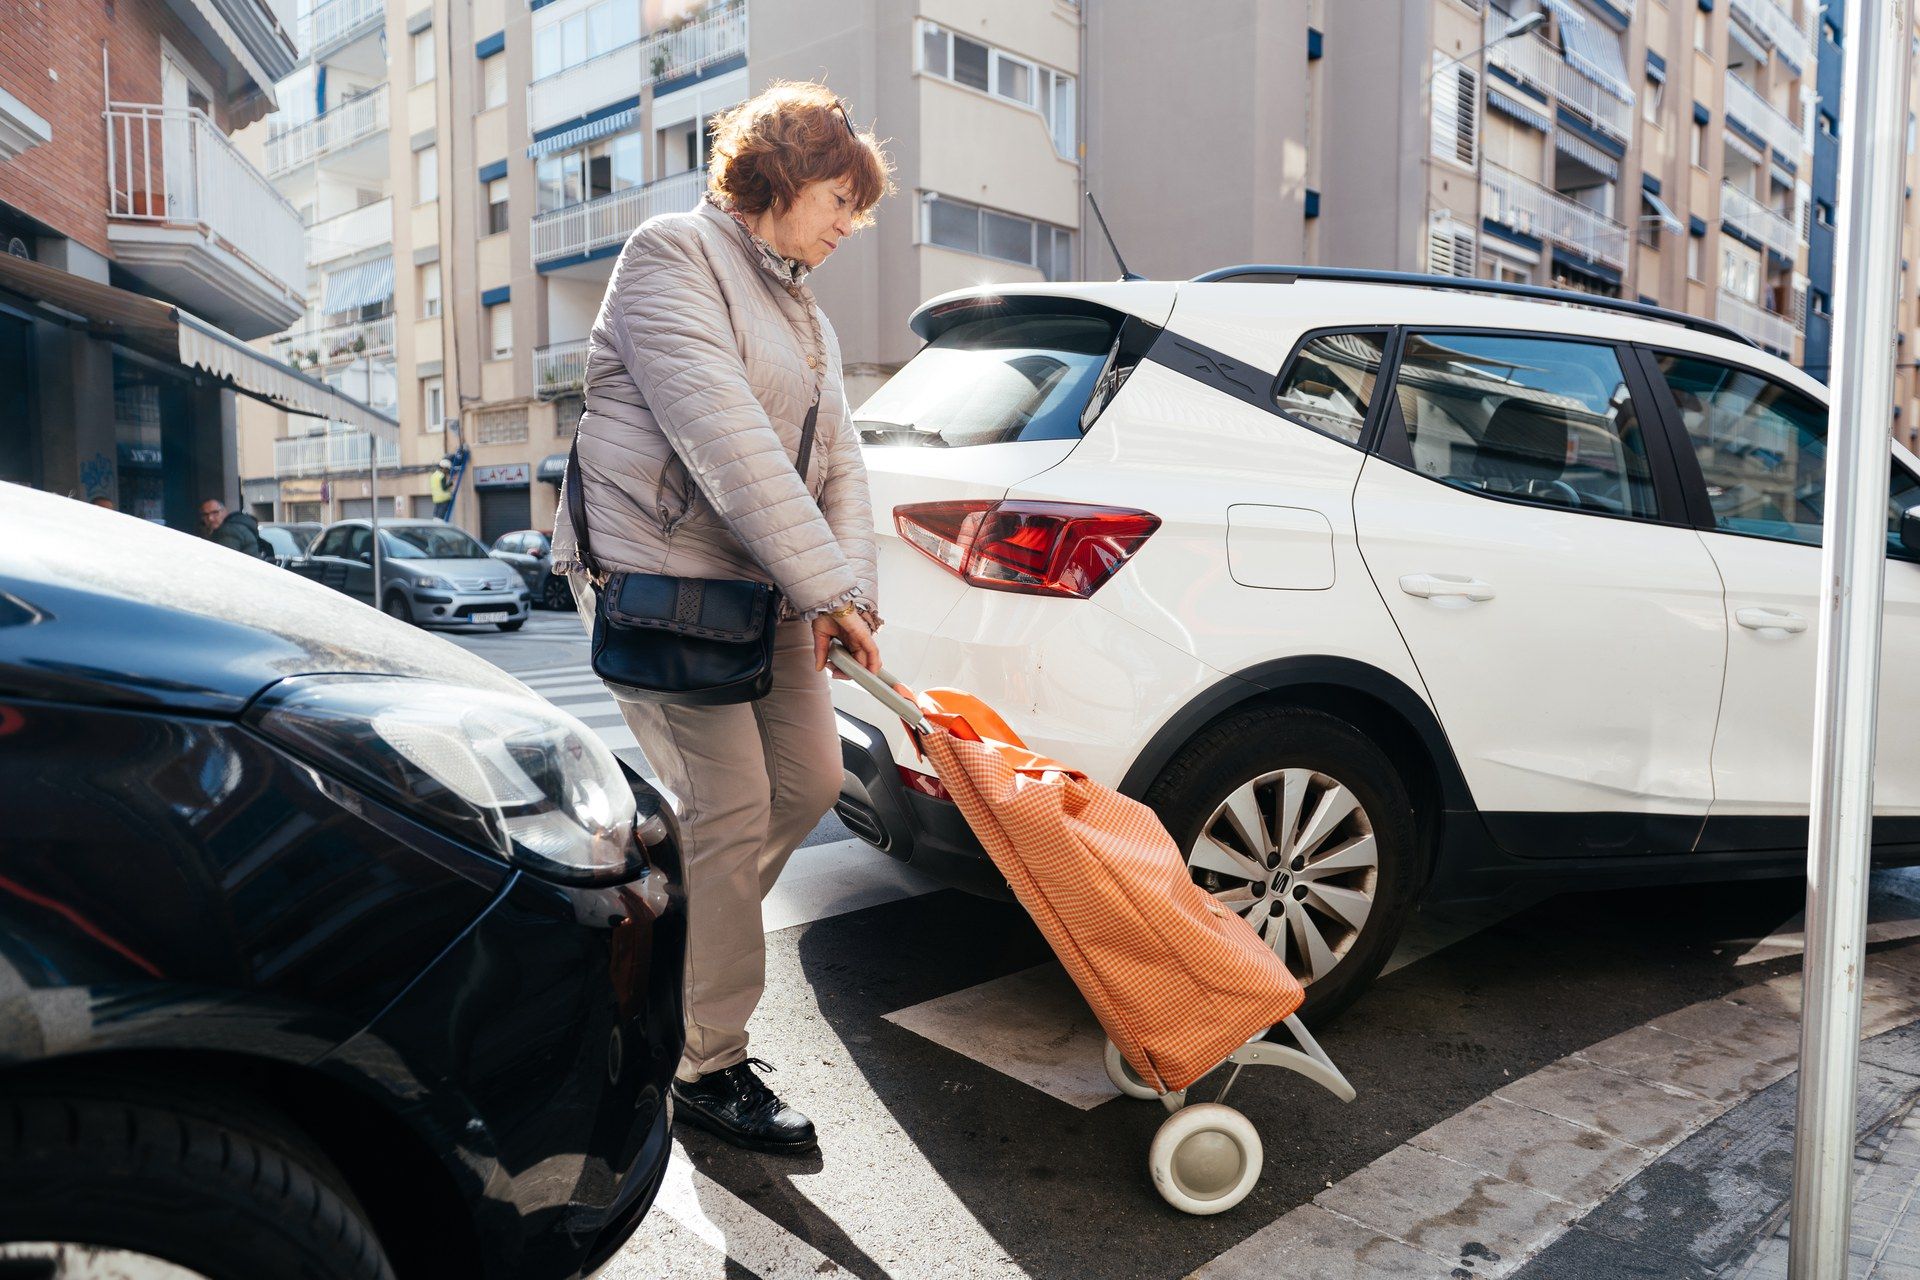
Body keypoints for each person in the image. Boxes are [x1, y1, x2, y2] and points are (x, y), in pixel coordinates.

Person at [550, 80, 892, 1155]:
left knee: (814, 781)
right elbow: (725, 439)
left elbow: (840, 465)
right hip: (661, 584)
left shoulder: (808, 314)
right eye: (840, 198)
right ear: (779, 174)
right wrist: (824, 587)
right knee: (734, 805)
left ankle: (657, 941)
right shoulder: (669, 258)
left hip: (765, 586)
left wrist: (851, 595)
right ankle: (707, 1060)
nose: (848, 225)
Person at [199, 499, 269, 559]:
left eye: (215, 512)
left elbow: (224, 561)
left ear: (225, 511)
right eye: (205, 515)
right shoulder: (237, 525)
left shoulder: (228, 530)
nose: (210, 518)